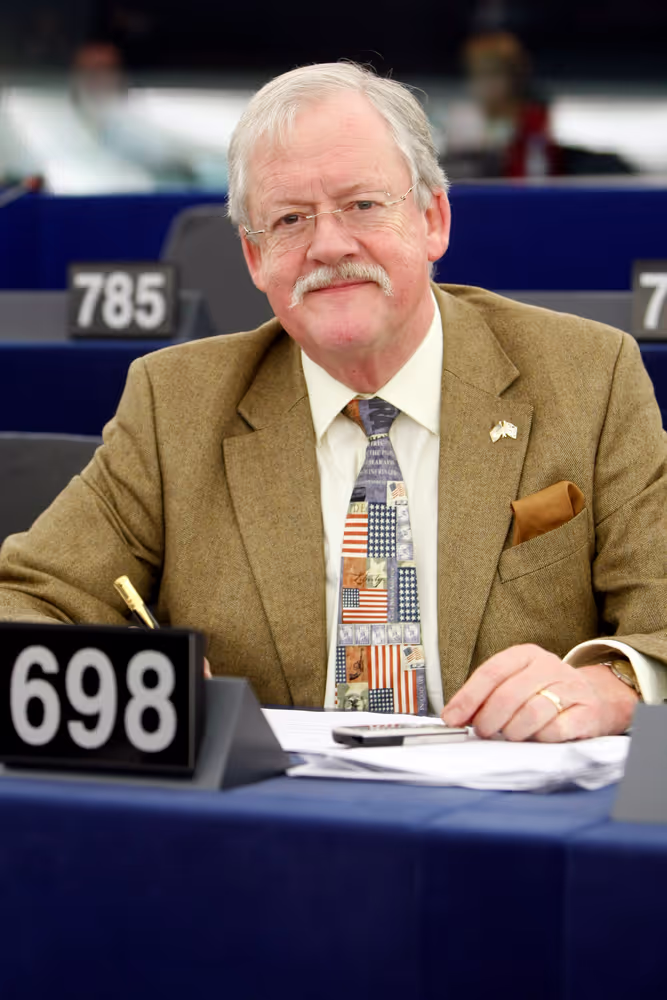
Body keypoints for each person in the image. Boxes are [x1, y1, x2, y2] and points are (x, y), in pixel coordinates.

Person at [1, 62, 665, 742]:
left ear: (432, 219)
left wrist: (605, 685)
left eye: (361, 205)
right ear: (255, 258)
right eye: (290, 219)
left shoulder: (588, 376)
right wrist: (135, 673)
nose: (328, 245)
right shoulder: (176, 404)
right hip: (270, 819)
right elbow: (24, 601)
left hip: (506, 819)